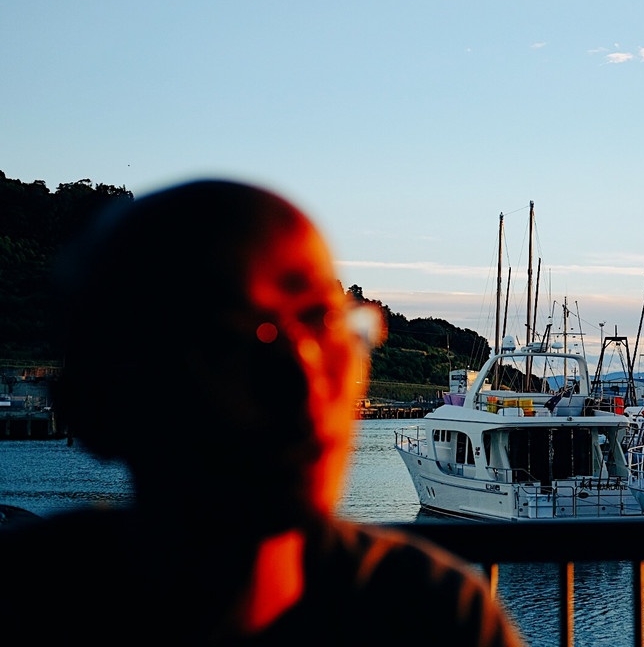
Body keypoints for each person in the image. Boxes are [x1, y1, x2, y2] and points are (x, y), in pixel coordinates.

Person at [0, 180, 524, 645]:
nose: (300, 377)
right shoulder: (25, 608)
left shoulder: (434, 614)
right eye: (227, 339)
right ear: (95, 404)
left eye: (322, 320)